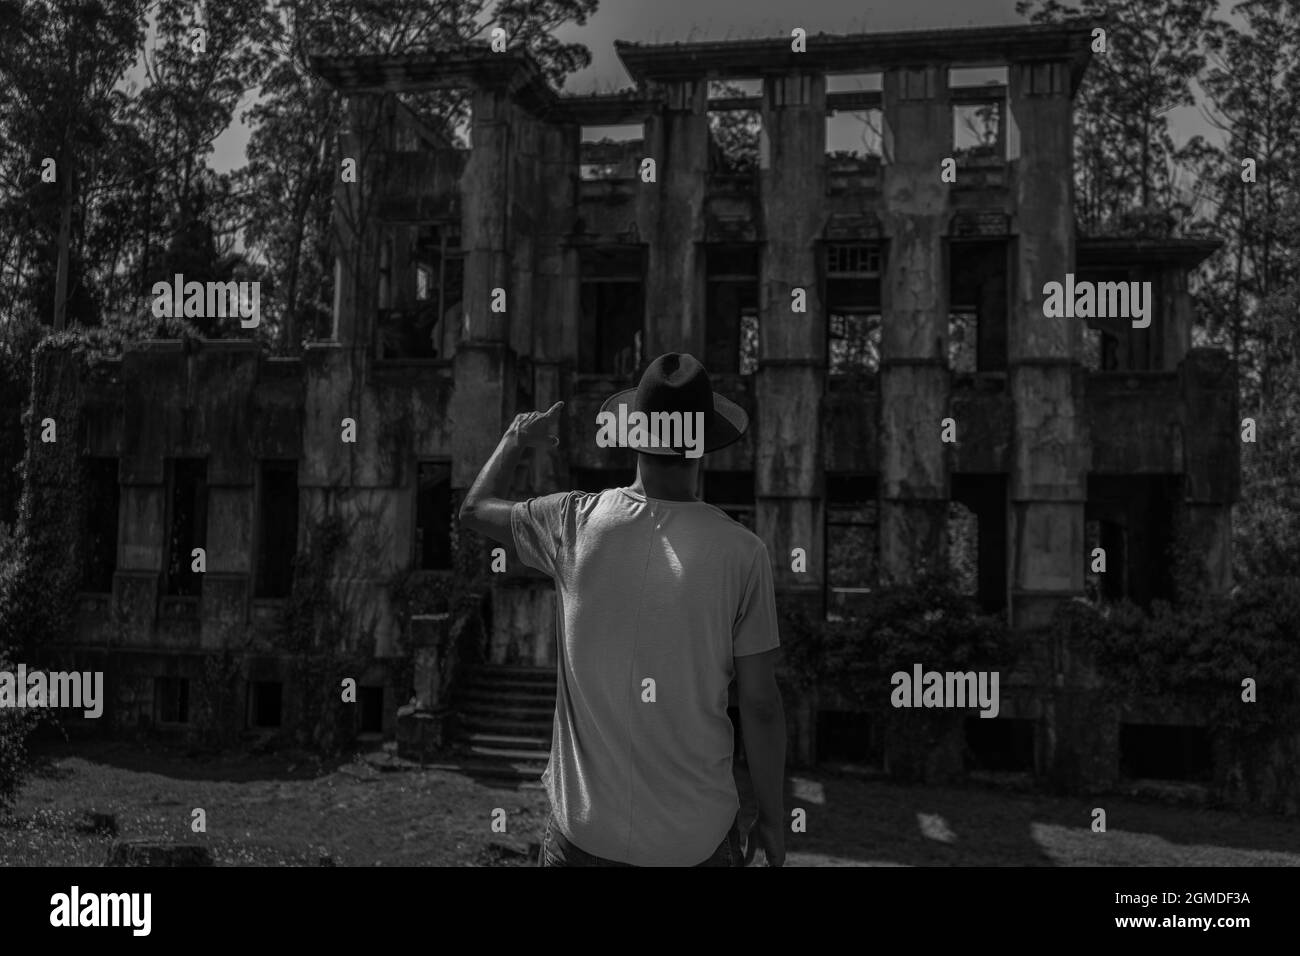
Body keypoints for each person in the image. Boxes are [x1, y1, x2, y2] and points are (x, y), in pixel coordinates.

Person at [459, 352, 787, 867]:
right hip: (694, 843)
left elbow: (475, 511)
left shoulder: (572, 522)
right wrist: (772, 816)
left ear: (634, 434)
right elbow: (761, 704)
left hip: (585, 838)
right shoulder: (743, 553)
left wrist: (517, 438)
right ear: (703, 444)